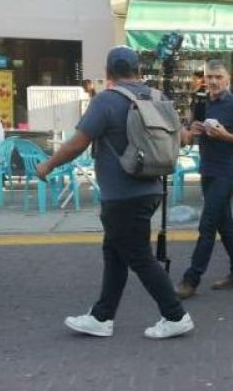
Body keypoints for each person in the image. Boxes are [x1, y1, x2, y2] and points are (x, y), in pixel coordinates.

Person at [36, 46, 194, 339]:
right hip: (152, 188)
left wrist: (48, 164)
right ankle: (102, 316)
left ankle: (175, 315)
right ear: (138, 71)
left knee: (138, 256)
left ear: (108, 73)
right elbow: (182, 138)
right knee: (115, 253)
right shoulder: (157, 97)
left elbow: (78, 143)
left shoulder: (106, 101)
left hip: (122, 195)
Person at [176, 60, 233, 298]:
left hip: (226, 172)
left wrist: (225, 135)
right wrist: (191, 131)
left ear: (227, 80)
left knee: (208, 224)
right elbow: (189, 135)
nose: (212, 81)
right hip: (207, 170)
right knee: (225, 224)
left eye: (217, 77)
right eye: (209, 77)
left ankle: (191, 279)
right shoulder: (201, 102)